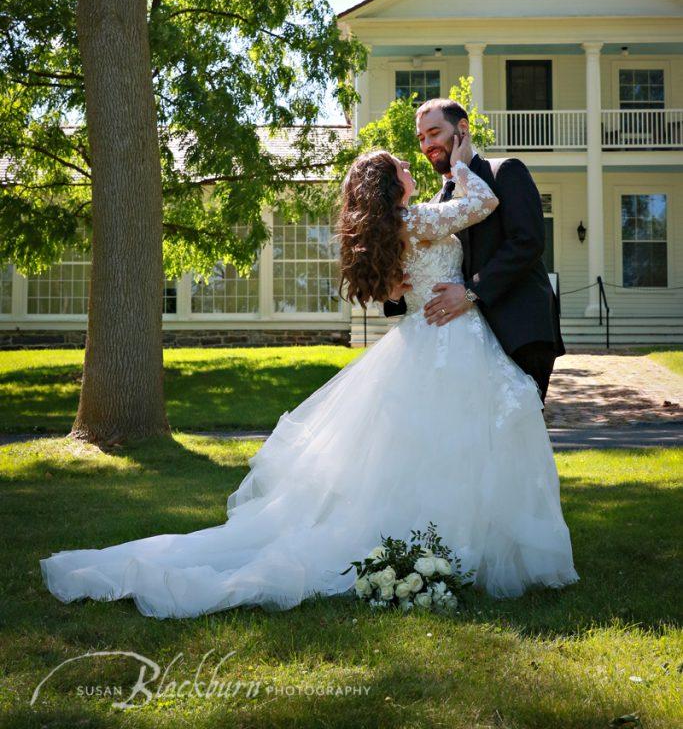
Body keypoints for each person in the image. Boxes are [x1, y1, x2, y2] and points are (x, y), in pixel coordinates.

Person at [40, 135, 577, 619]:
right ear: (392, 184)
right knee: (457, 445)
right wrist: (460, 166)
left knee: (424, 451)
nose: (414, 168)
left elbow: (399, 292)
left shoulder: (391, 232)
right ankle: (456, 545)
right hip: (449, 340)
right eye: (403, 167)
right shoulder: (412, 222)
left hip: (425, 335)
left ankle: (440, 544)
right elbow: (484, 204)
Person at [384, 98, 564, 402]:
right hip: (464, 342)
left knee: (517, 435)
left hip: (519, 328)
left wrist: (470, 292)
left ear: (462, 129)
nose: (427, 144)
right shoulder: (436, 202)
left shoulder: (504, 171)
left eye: (434, 132)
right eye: (421, 138)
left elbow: (527, 242)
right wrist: (393, 296)